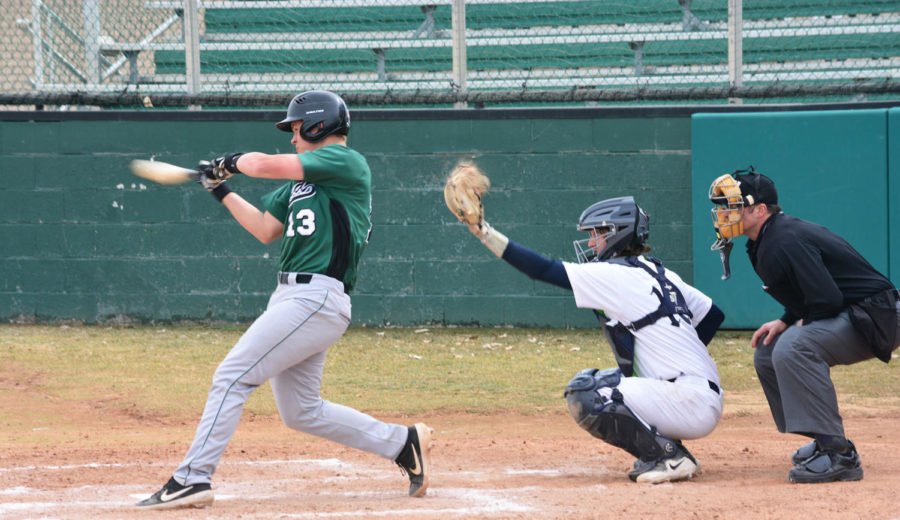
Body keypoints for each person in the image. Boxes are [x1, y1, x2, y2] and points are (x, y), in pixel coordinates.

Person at [136, 90, 433, 510]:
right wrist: (218, 188)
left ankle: (192, 478)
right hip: (291, 297)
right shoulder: (303, 184)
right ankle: (403, 443)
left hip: (316, 296)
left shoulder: (345, 161)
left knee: (232, 376)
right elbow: (262, 228)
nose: (293, 138)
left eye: (296, 129)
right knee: (300, 411)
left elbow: (261, 165)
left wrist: (230, 162)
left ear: (317, 126)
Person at [460, 194, 725, 484]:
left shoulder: (613, 273)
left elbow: (543, 269)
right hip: (700, 396)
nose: (590, 243)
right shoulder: (662, 272)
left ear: (618, 235)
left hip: (688, 402)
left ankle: (669, 458)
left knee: (586, 393)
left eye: (598, 234)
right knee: (606, 379)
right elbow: (713, 315)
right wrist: (679, 360)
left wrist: (486, 233)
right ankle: (670, 448)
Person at [708, 167, 900, 483]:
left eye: (731, 205)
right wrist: (785, 320)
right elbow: (809, 296)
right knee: (769, 351)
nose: (722, 213)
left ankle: (839, 455)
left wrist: (796, 327)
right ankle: (824, 438)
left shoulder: (783, 238)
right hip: (857, 313)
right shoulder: (765, 239)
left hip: (877, 316)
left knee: (795, 346)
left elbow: (827, 298)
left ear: (758, 210)